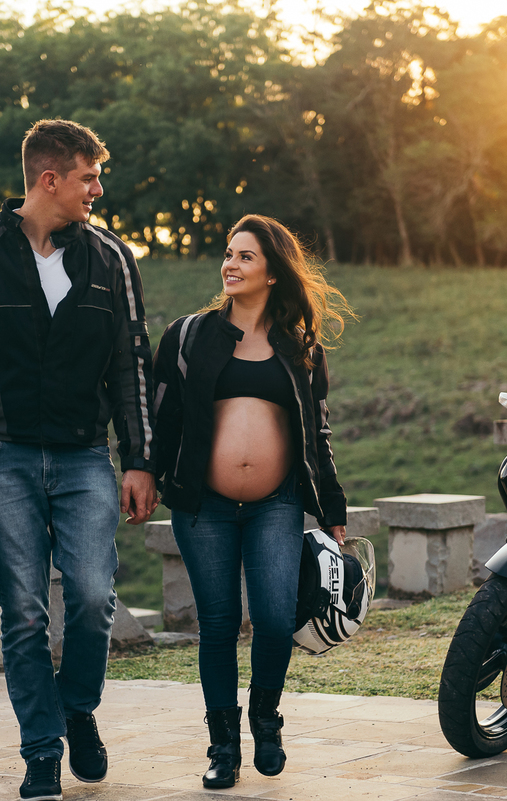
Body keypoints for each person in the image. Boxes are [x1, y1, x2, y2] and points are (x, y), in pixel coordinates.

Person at [0, 119, 157, 801]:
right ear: (50, 179)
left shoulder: (112, 257)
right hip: (3, 454)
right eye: (88, 178)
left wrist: (140, 458)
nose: (97, 191)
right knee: (21, 611)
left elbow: (131, 363)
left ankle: (77, 708)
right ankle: (42, 749)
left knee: (92, 596)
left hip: (85, 457)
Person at [151, 214, 352, 789]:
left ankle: (266, 718)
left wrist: (332, 506)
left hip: (276, 504)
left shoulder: (301, 347)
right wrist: (148, 476)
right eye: (229, 254)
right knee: (216, 625)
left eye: (246, 256)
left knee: (273, 617)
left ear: (273, 272)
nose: (231, 265)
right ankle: (223, 747)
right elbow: (162, 415)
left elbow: (318, 431)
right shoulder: (188, 336)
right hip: (204, 507)